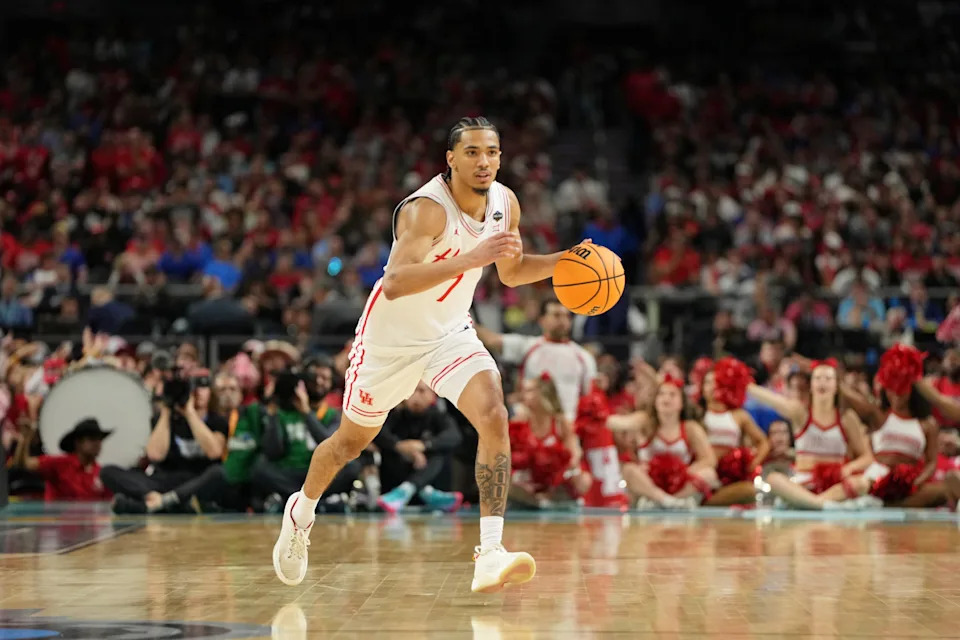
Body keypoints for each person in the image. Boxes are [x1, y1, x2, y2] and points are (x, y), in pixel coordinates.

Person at [273, 117, 588, 593]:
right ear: (451, 159)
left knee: (494, 415)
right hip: (388, 342)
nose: (484, 161)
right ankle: (301, 513)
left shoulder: (505, 202)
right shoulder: (427, 210)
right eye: (473, 153)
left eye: (492, 152)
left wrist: (567, 261)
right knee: (349, 444)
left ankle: (490, 552)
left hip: (449, 335)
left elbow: (512, 271)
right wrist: (471, 259)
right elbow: (396, 283)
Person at [747, 359, 874, 509]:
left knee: (862, 483)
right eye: (818, 378)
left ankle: (811, 503)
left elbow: (867, 457)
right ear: (811, 385)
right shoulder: (800, 412)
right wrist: (747, 386)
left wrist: (847, 469)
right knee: (774, 479)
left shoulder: (847, 417)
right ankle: (822, 504)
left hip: (835, 484)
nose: (822, 383)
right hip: (803, 481)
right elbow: (772, 400)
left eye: (828, 379)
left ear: (836, 386)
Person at [102, 371, 228, 513]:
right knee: (107, 471)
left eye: (202, 387)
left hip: (197, 481)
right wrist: (166, 411)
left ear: (211, 392)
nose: (197, 392)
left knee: (219, 473)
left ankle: (152, 505)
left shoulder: (217, 421)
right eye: (192, 388)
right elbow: (155, 455)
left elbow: (214, 452)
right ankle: (157, 501)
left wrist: (190, 413)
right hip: (164, 481)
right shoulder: (164, 419)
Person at [477, 298, 597, 422]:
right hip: (532, 423)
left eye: (566, 316)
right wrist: (465, 321)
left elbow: (589, 395)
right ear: (542, 320)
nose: (563, 320)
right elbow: (492, 340)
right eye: (556, 315)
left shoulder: (583, 356)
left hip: (570, 422)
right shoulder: (528, 346)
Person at [607, 375, 718, 509]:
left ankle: (671, 501)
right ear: (655, 400)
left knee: (709, 474)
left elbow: (709, 459)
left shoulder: (690, 428)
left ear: (681, 403)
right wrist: (598, 415)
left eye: (672, 395)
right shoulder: (644, 421)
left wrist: (683, 472)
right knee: (629, 470)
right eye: (661, 394)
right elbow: (618, 423)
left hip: (680, 483)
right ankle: (663, 499)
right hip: (649, 481)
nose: (666, 398)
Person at [373, 381, 464, 513]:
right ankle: (426, 492)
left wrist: (424, 445)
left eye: (421, 391)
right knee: (389, 449)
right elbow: (379, 434)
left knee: (440, 451)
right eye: (411, 391)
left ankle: (408, 489)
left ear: (432, 395)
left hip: (430, 474)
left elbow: (454, 436)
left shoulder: (438, 416)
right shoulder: (396, 414)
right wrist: (400, 446)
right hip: (396, 475)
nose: (416, 396)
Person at [508, 375, 590, 508]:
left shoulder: (560, 422)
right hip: (528, 479)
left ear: (543, 393)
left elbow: (574, 454)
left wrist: (555, 470)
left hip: (556, 479)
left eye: (529, 391)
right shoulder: (519, 422)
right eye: (523, 391)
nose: (524, 395)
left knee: (583, 479)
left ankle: (556, 501)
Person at [698, 360, 769, 506]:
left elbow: (763, 442)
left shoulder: (739, 415)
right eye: (707, 383)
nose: (712, 387)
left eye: (716, 381)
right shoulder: (696, 414)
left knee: (749, 490)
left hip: (731, 477)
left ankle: (706, 502)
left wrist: (753, 464)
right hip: (704, 472)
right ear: (702, 388)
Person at [11, 417, 112, 501]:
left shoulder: (101, 473)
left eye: (100, 439)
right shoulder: (60, 464)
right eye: (92, 439)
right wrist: (25, 438)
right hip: (57, 523)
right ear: (78, 442)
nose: (98, 443)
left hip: (90, 524)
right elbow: (23, 464)